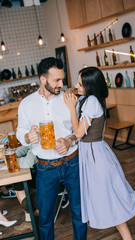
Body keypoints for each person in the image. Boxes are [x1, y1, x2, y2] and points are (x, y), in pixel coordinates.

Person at [63, 66, 135, 240]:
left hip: (95, 157)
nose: (76, 86)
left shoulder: (92, 101)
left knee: (115, 198)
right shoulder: (88, 99)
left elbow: (79, 133)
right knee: (111, 199)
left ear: (91, 87)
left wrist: (71, 108)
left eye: (80, 84)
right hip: (91, 154)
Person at [16, 57, 87, 240]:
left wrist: (69, 141)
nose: (61, 84)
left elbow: (78, 131)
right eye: (56, 80)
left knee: (80, 214)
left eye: (62, 79)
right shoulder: (27, 104)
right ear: (43, 79)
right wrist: (26, 137)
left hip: (72, 163)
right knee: (45, 218)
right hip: (45, 168)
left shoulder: (69, 99)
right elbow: (20, 132)